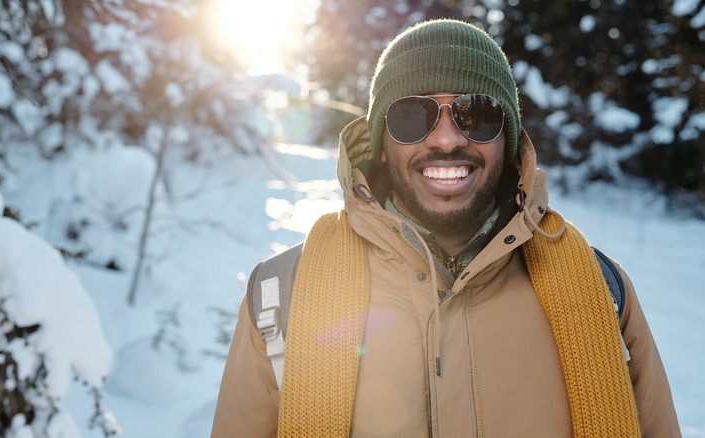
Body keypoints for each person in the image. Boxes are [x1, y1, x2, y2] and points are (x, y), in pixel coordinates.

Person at [212, 19, 680, 438]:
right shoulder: (280, 293)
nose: (447, 138)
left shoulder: (601, 290)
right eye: (412, 115)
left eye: (476, 113)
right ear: (378, 143)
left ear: (509, 138)